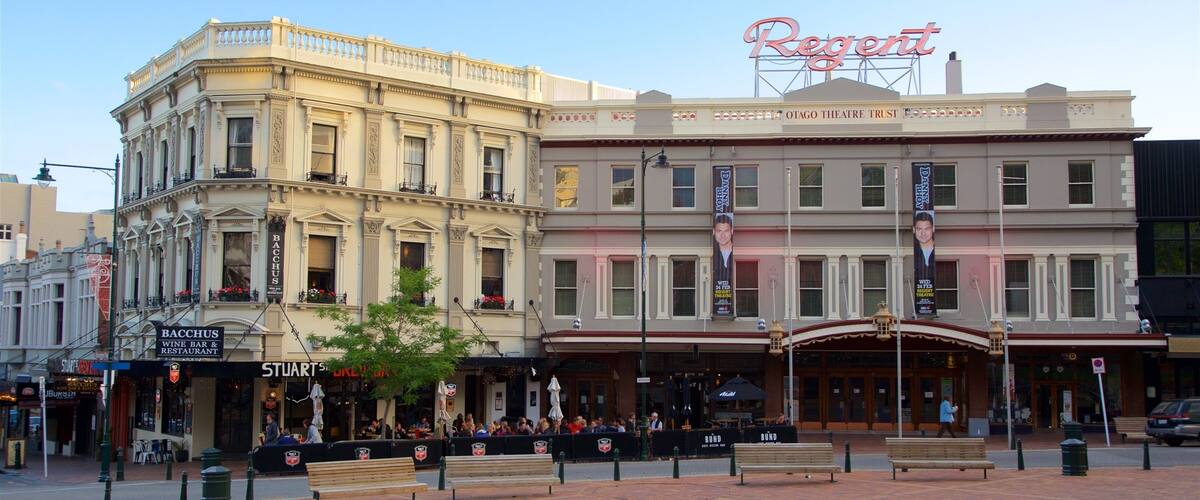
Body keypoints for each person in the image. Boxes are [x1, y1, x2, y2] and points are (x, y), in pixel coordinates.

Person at [913, 211, 936, 284]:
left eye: (927, 229)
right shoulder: (915, 251)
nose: (923, 233)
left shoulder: (935, 250)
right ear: (914, 230)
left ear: (933, 229)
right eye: (919, 229)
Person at [712, 214, 735, 285]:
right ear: (714, 232)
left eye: (726, 231)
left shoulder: (735, 252)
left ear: (732, 231)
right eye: (719, 231)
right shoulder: (714, 253)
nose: (722, 235)